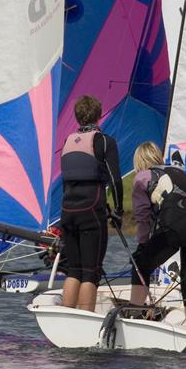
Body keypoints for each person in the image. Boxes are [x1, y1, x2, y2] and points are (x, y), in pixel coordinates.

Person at [129, 141, 186, 325]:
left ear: (139, 161)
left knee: (139, 265)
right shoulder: (180, 173)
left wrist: (143, 247)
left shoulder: (143, 177)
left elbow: (142, 217)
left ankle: (133, 317)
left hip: (176, 227)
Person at [59, 95, 123, 312]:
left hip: (67, 210)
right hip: (91, 209)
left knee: (73, 269)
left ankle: (67, 315)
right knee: (91, 271)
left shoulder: (67, 141)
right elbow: (115, 179)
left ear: (77, 117)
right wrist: (119, 210)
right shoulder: (104, 141)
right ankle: (86, 318)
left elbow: (64, 181)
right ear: (98, 115)